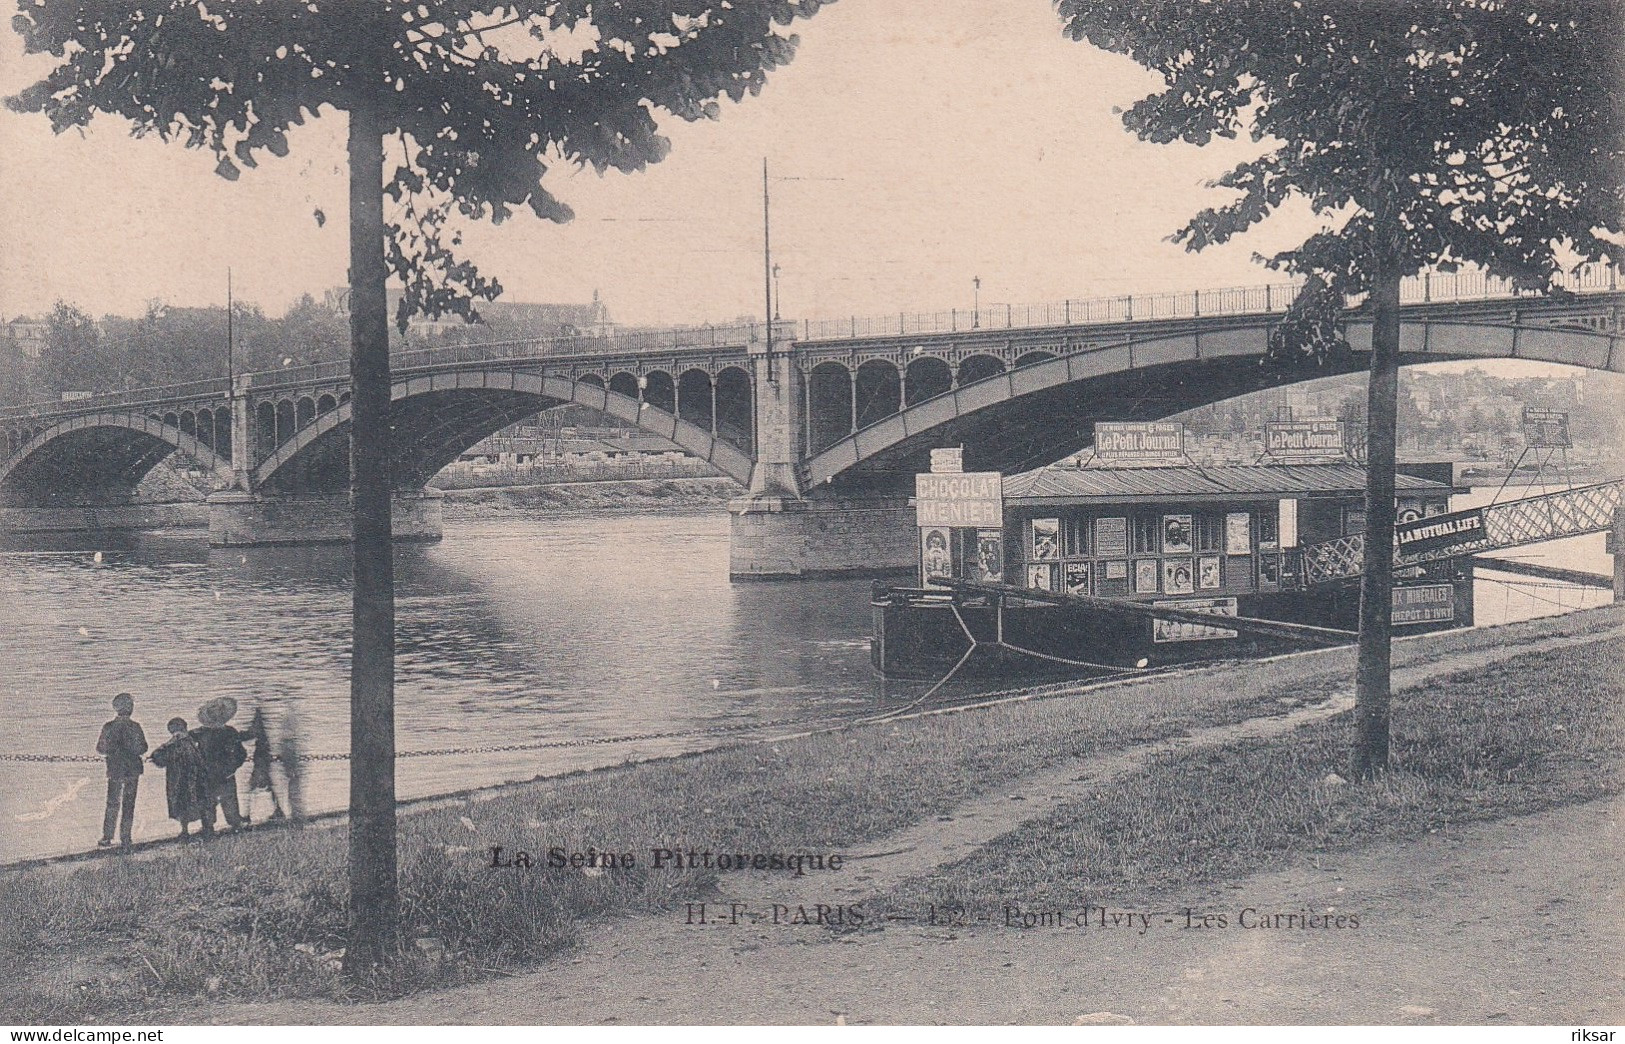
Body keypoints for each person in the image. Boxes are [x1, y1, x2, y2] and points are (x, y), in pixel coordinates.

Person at [96, 693, 147, 849]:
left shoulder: (108, 727)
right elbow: (143, 748)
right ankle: (126, 837)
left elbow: (101, 748)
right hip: (132, 770)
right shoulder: (135, 726)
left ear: (115, 708)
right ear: (130, 708)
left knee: (112, 803)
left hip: (115, 769)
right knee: (128, 804)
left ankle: (107, 837)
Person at [192, 697, 248, 834]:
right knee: (229, 799)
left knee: (207, 800)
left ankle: (208, 826)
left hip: (207, 773)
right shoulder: (230, 732)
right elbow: (241, 754)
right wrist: (232, 768)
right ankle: (235, 824)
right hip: (226, 773)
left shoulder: (199, 733)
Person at [149, 717, 207, 840]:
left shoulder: (173, 744)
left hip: (178, 780)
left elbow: (157, 757)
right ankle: (206, 827)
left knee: (181, 804)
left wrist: (166, 745)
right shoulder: (191, 741)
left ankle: (185, 831)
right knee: (199, 801)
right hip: (195, 778)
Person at [245, 706, 287, 822]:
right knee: (267, 786)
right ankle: (278, 810)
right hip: (262, 761)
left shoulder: (259, 727)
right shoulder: (266, 729)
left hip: (260, 762)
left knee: (251, 787)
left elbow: (250, 734)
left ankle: (247, 814)